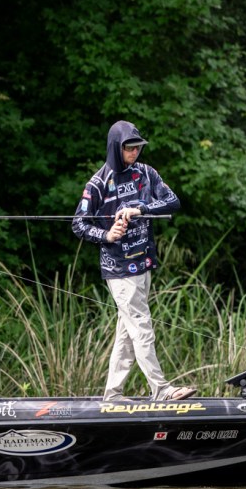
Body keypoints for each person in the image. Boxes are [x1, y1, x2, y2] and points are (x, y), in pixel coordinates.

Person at [72, 120, 196, 401]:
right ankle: (161, 390)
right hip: (118, 269)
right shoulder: (98, 184)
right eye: (129, 148)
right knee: (142, 326)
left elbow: (173, 201)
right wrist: (107, 234)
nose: (134, 153)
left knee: (127, 334)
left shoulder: (146, 173)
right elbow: (79, 224)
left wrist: (141, 207)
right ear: (116, 148)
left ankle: (112, 394)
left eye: (138, 148)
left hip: (143, 262)